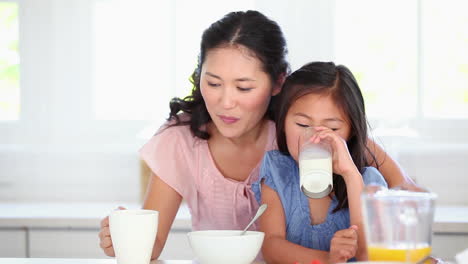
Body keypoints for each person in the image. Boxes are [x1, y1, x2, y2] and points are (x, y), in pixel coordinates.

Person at [98, 10, 416, 260]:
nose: (225, 102)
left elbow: (392, 178)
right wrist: (122, 237)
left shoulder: (297, 131)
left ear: (278, 83)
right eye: (213, 83)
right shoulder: (181, 141)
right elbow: (150, 246)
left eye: (244, 87)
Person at [252, 61, 389, 264]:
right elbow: (272, 247)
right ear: (283, 123)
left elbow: (369, 255)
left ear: (351, 131)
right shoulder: (278, 171)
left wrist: (351, 175)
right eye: (303, 124)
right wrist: (328, 259)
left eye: (332, 129)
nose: (315, 138)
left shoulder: (368, 182)